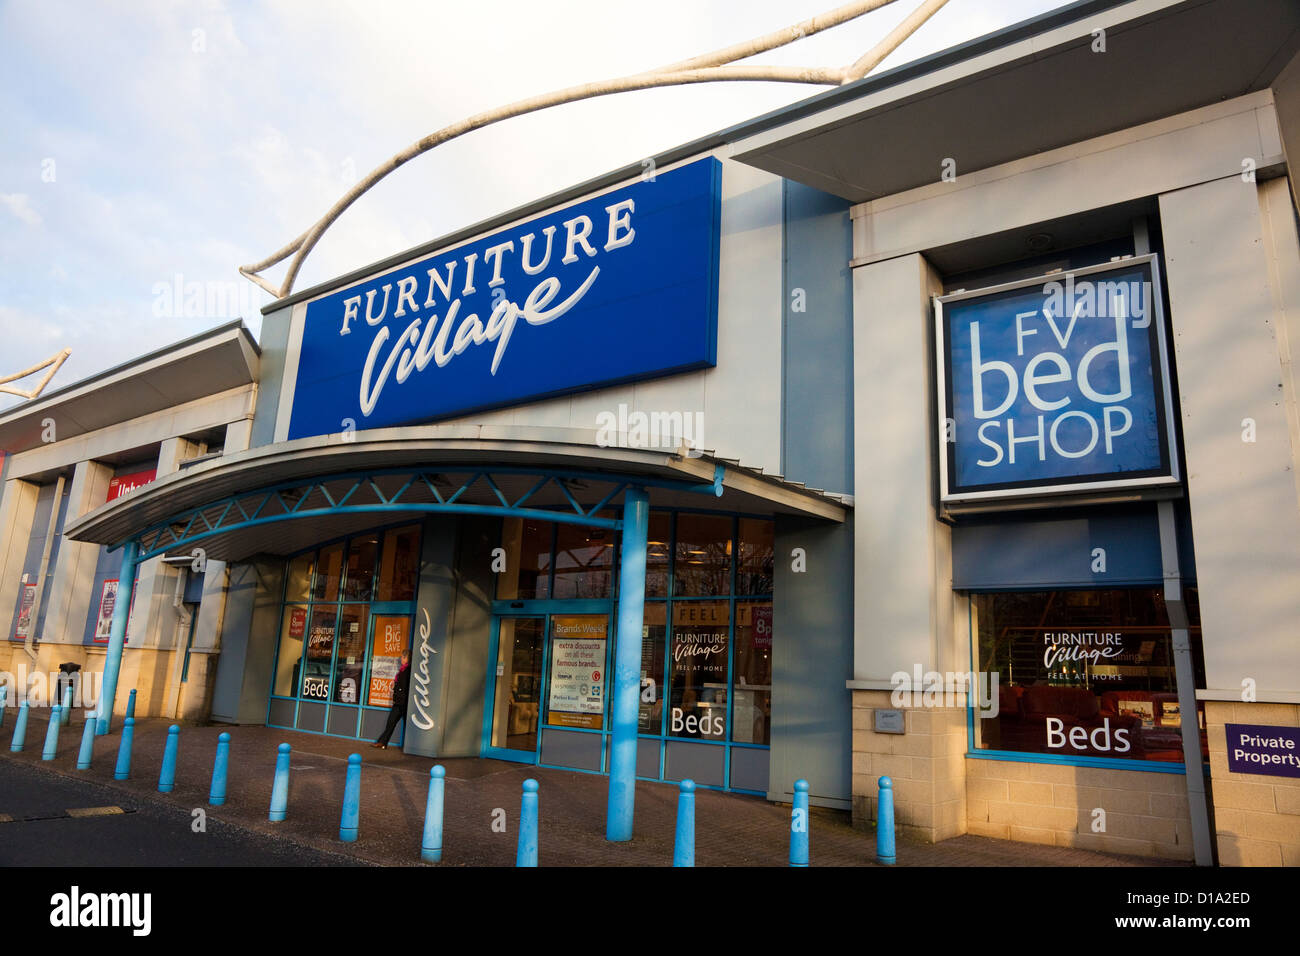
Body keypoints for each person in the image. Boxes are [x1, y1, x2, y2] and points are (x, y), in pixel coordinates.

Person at [372, 648, 411, 750]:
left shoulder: (409, 670)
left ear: (407, 658)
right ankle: (382, 742)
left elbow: (406, 686)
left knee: (409, 725)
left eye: (403, 657)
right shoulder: (402, 670)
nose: (401, 659)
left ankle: (411, 746)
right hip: (398, 702)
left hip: (404, 702)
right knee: (391, 722)